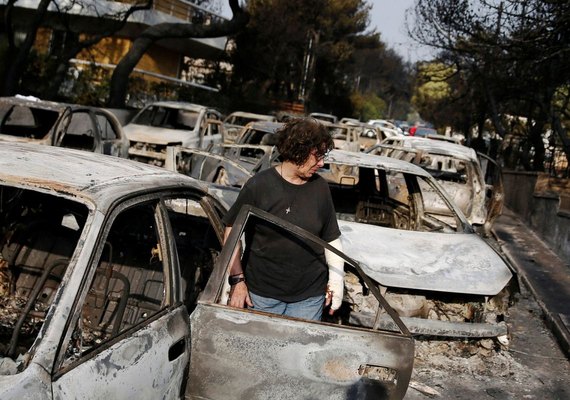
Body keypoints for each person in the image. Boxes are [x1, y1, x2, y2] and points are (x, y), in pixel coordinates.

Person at [222, 118, 345, 321]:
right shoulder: (259, 186)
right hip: (261, 296)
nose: (322, 163)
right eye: (317, 156)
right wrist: (237, 281)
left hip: (309, 298)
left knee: (300, 352)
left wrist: (336, 281)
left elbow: (331, 237)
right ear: (298, 150)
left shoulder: (320, 188)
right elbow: (231, 233)